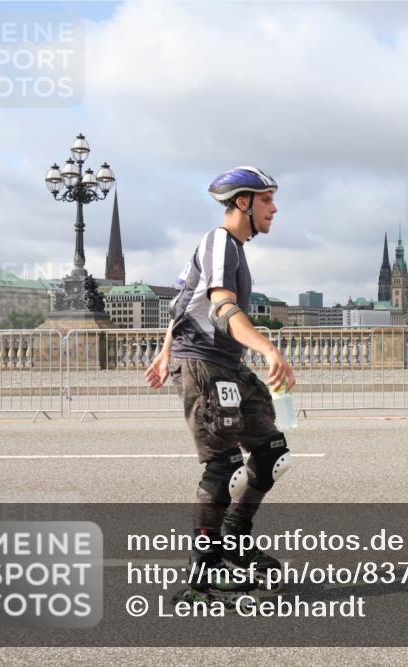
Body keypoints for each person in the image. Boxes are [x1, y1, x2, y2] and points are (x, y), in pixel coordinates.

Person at [145, 166, 296, 601]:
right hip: (206, 366)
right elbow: (218, 306)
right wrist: (268, 348)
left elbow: (180, 302)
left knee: (271, 453)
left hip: (226, 364)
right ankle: (204, 573)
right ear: (243, 202)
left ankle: (235, 539)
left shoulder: (233, 250)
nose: (275, 208)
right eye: (267, 199)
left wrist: (163, 348)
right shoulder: (219, 242)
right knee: (224, 466)